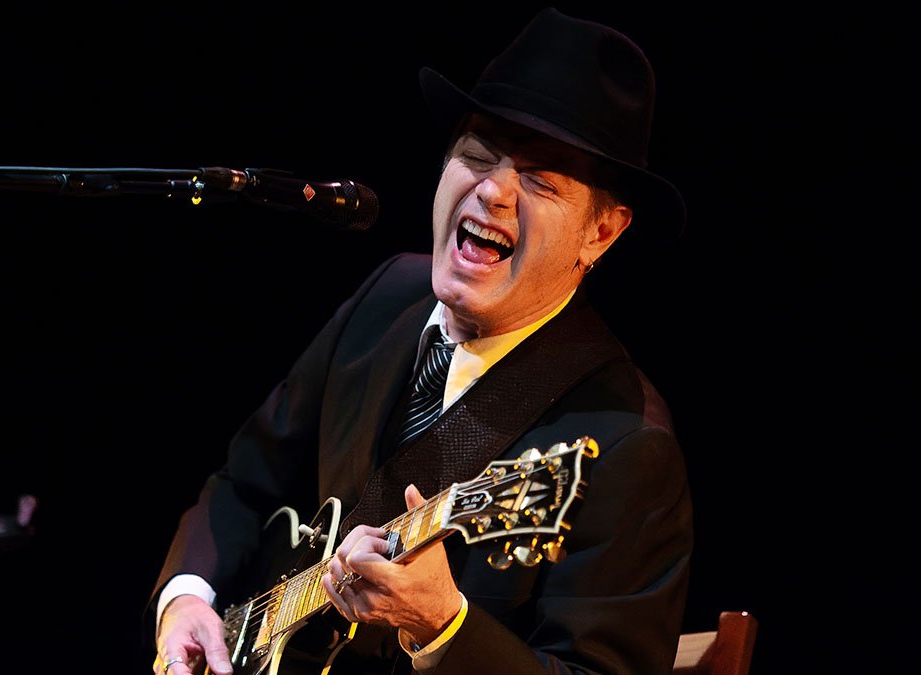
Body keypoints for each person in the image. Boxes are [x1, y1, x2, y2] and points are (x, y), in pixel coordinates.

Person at [149, 7, 693, 674]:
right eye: (477, 152)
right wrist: (186, 597)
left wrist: (444, 626)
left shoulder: (626, 442)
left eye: (541, 179)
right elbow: (245, 479)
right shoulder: (389, 296)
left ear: (601, 234)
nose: (492, 188)